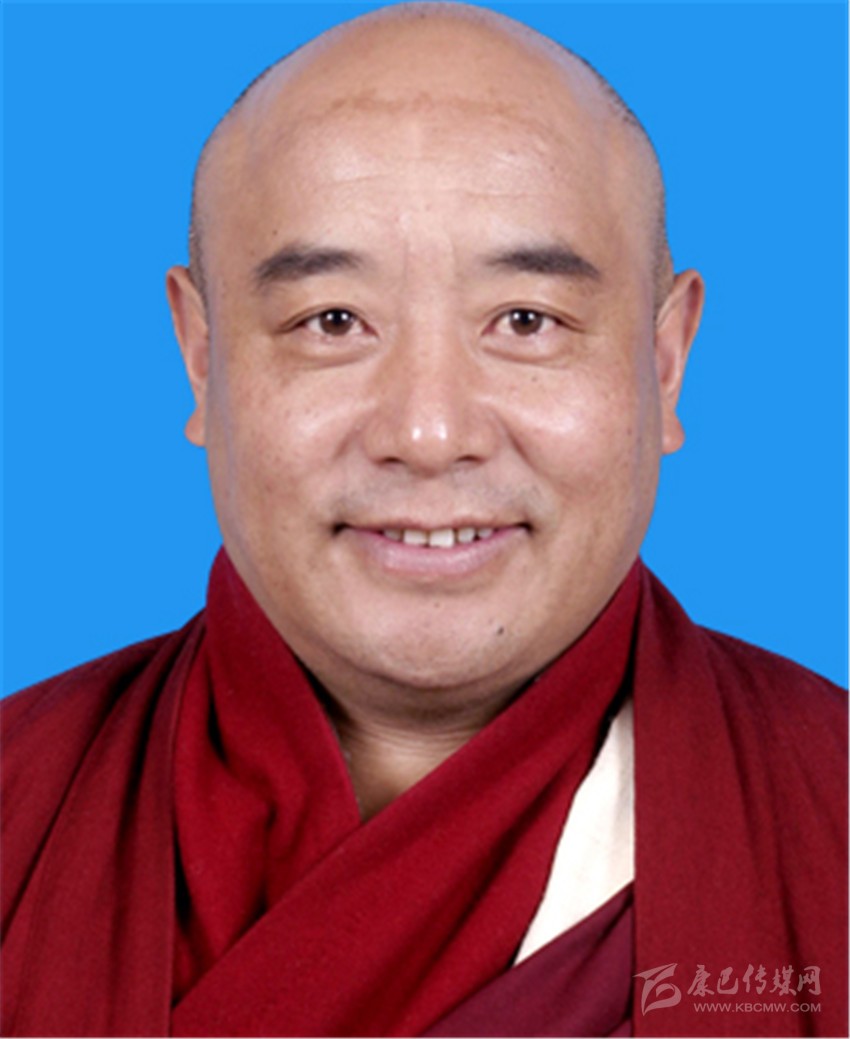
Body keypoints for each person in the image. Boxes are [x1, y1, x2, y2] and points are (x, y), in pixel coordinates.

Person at [2, 4, 845, 1036]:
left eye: (526, 320)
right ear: (202, 355)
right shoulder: (18, 803)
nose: (430, 432)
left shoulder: (829, 809)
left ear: (664, 363)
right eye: (332, 322)